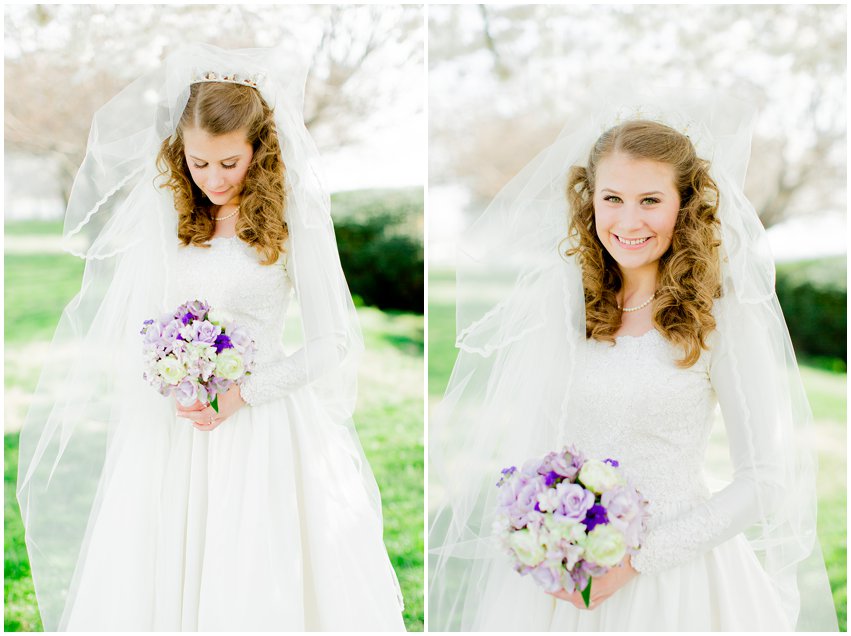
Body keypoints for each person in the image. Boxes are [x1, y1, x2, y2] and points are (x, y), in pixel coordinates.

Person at [17, 43, 405, 631]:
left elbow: (333, 342)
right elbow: (143, 321)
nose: (213, 178)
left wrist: (244, 394)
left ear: (260, 150)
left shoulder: (289, 219)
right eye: (198, 163)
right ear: (180, 154)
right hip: (176, 429)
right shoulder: (170, 213)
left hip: (263, 427)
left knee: (255, 577)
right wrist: (172, 373)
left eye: (229, 162)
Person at [428, 88, 838, 631]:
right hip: (569, 575)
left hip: (676, 575)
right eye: (612, 199)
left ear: (684, 205)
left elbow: (765, 478)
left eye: (651, 200)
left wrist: (638, 561)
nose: (628, 220)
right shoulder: (567, 303)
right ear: (589, 202)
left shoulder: (719, 317)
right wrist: (543, 535)